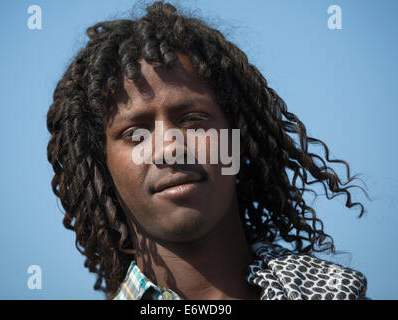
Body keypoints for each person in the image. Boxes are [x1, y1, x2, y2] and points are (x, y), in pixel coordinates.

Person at [46, 1, 369, 300]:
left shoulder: (334, 293)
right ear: (103, 167)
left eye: (193, 120)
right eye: (135, 133)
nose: (170, 147)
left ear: (238, 139)